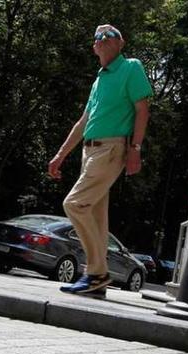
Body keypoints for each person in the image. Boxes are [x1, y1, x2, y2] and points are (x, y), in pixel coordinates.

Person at [48, 24, 152, 295]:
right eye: (99, 37)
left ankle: (96, 273)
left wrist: (135, 148)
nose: (103, 39)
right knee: (95, 215)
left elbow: (142, 109)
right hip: (90, 151)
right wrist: (60, 155)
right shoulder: (99, 80)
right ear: (94, 48)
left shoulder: (131, 67)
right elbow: (84, 121)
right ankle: (97, 285)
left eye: (110, 35)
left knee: (74, 204)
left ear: (121, 42)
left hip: (111, 149)